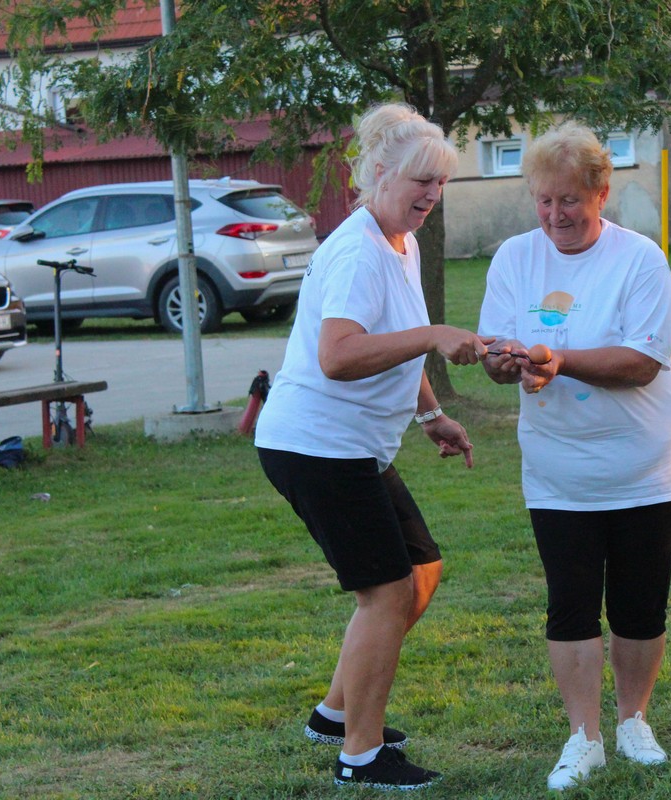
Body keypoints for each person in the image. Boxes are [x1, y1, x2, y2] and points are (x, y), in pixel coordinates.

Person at [254, 103, 491, 791]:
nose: (430, 196)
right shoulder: (359, 249)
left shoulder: (401, 241)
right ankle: (360, 756)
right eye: (421, 181)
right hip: (315, 445)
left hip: (352, 447)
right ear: (379, 173)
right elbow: (339, 354)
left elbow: (397, 336)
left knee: (420, 572)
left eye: (441, 185)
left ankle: (335, 713)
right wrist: (433, 336)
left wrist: (431, 415)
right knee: (386, 592)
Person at [478, 122, 671, 792]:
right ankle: (585, 738)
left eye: (569, 200)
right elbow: (498, 356)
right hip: (558, 466)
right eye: (544, 201)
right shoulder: (515, 258)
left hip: (643, 459)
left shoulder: (641, 261)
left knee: (639, 603)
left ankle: (634, 720)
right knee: (570, 603)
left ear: (601, 192)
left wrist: (558, 359)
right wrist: (505, 362)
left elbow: (640, 363)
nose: (555, 215)